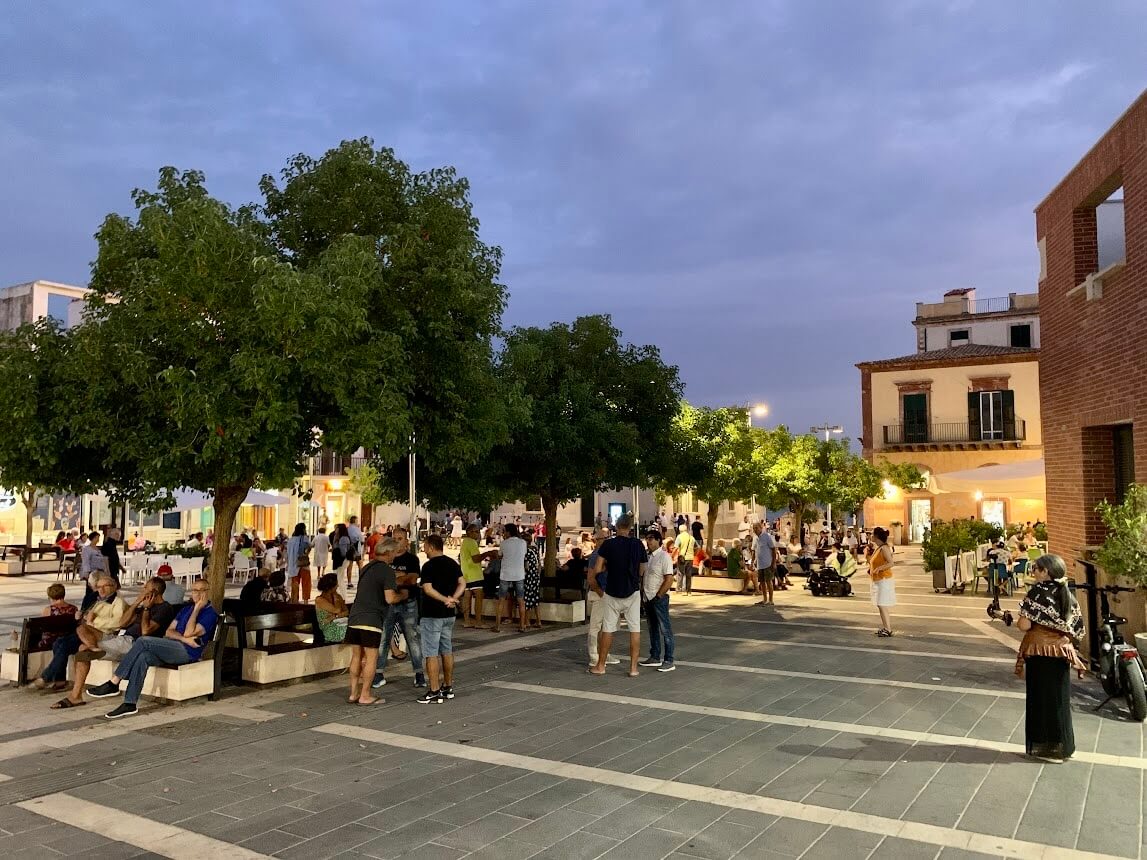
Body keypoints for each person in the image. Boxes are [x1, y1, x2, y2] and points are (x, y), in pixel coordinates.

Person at [87, 578, 218, 719]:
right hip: (174, 646)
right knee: (144, 656)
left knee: (143, 641)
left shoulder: (210, 613)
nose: (197, 594)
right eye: (194, 590)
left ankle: (114, 682)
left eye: (201, 590)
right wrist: (184, 639)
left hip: (187, 653)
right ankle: (130, 703)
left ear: (207, 592)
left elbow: (188, 631)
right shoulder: (186, 609)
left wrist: (197, 609)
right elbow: (169, 632)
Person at [52, 578, 175, 710]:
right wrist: (137, 603)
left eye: (145, 588)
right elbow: (122, 623)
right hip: (119, 638)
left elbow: (146, 631)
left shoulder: (164, 608)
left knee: (82, 650)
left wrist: (146, 609)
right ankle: (93, 648)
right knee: (81, 628)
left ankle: (75, 696)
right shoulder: (142, 606)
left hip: (134, 643)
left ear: (154, 592)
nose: (142, 590)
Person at [1016, 554, 1085, 762]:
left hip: (1040, 651)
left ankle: (1047, 747)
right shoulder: (1067, 594)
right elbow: (1078, 630)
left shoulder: (1037, 593)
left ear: (1046, 571)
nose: (1034, 572)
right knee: (1059, 700)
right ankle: (1065, 746)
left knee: (1041, 699)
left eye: (1036, 568)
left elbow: (1024, 625)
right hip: (1062, 652)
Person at [346, 538, 407, 705]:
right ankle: (365, 695)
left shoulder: (367, 567)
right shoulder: (386, 570)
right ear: (388, 553)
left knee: (356, 656)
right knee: (372, 657)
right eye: (394, 552)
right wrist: (403, 595)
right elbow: (390, 598)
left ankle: (353, 693)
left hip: (355, 616)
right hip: (371, 619)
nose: (395, 555)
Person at [589, 514, 647, 677]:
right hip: (632, 591)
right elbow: (643, 570)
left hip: (612, 591)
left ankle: (601, 665)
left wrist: (610, 568)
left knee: (608, 628)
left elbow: (598, 568)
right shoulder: (637, 544)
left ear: (616, 526)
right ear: (630, 527)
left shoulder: (608, 545)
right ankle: (633, 668)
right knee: (634, 629)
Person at [373, 526, 426, 689]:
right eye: (394, 538)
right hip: (388, 603)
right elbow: (382, 579)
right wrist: (399, 578)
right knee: (384, 638)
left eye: (400, 539)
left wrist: (395, 578)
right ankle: (379, 673)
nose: (396, 541)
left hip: (407, 603)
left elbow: (411, 580)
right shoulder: (387, 558)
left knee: (412, 638)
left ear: (406, 541)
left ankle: (419, 673)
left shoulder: (412, 559)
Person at [418, 534, 464, 704]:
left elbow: (428, 589)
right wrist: (454, 598)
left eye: (425, 546)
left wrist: (445, 599)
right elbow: (463, 583)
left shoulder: (428, 566)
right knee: (447, 650)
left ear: (430, 546)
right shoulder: (452, 563)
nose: (424, 549)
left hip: (432, 614)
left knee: (431, 653)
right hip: (448, 616)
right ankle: (448, 686)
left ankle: (434, 689)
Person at [638, 529, 676, 672]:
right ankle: (655, 656)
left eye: (651, 538)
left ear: (659, 540)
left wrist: (659, 595)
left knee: (665, 628)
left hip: (658, 598)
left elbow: (669, 578)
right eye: (647, 538)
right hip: (648, 597)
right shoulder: (648, 557)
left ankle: (669, 659)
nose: (649, 541)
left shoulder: (664, 556)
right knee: (652, 627)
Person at [584, 529, 619, 668]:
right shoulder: (596, 555)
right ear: (597, 540)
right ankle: (594, 656)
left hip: (608, 593)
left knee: (607, 626)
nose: (607, 540)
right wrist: (601, 593)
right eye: (604, 538)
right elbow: (591, 578)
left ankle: (604, 653)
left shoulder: (607, 554)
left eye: (608, 537)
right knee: (596, 626)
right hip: (600, 594)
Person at [75, 576, 128, 655]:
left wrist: (92, 620)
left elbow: (118, 622)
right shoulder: (100, 600)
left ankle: (92, 647)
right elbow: (89, 615)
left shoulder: (118, 602)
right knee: (64, 643)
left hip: (100, 634)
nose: (101, 589)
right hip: (87, 632)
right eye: (99, 587)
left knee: (66, 643)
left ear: (114, 586)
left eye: (105, 586)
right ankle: (91, 648)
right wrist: (81, 616)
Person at [494, 523, 528, 634]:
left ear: (508, 532)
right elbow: (523, 556)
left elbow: (499, 555)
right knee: (521, 600)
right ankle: (522, 625)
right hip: (519, 574)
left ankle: (497, 626)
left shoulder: (504, 543)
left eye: (504, 531)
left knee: (501, 600)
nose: (503, 533)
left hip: (505, 574)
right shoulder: (523, 543)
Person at [460, 523, 492, 628]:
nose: (478, 534)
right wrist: (488, 554)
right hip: (474, 574)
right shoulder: (472, 542)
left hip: (466, 573)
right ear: (469, 532)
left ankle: (467, 620)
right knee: (478, 596)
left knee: (467, 596)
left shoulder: (464, 542)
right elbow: (476, 558)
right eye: (476, 532)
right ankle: (478, 621)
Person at [866, 526, 896, 637]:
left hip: (884, 580)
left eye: (872, 534)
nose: (870, 536)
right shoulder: (878, 547)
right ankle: (886, 627)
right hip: (878, 580)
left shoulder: (884, 548)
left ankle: (888, 629)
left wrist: (880, 568)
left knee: (882, 604)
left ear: (877, 536)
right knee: (881, 604)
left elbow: (891, 563)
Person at [38, 584, 78, 649]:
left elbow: (42, 627)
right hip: (68, 639)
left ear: (51, 597)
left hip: (51, 641)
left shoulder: (48, 610)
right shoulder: (74, 608)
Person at [314, 573, 349, 643]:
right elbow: (337, 610)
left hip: (340, 624)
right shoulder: (320, 600)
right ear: (331, 587)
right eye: (336, 584)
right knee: (351, 632)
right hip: (328, 628)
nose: (338, 586)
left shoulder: (338, 596)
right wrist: (336, 599)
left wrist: (334, 617)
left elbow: (346, 612)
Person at [286, 523, 312, 602]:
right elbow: (308, 548)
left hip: (292, 565)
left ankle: (295, 601)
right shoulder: (304, 538)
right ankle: (305, 602)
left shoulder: (290, 540)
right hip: (303, 564)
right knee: (306, 584)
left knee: (295, 584)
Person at [755, 521, 779, 606]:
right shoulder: (756, 538)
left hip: (767, 563)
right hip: (760, 564)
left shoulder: (766, 536)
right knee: (762, 582)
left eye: (756, 528)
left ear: (761, 528)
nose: (755, 530)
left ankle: (771, 600)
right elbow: (756, 550)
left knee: (769, 581)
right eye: (754, 528)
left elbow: (773, 549)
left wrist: (773, 562)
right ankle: (764, 599)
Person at [523, 539, 543, 629]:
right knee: (535, 600)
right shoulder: (535, 549)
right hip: (535, 577)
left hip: (529, 577)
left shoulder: (526, 551)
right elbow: (539, 564)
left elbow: (526, 566)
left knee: (527, 600)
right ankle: (539, 621)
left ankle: (527, 621)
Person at [673, 524, 696, 594]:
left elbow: (676, 548)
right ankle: (688, 591)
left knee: (680, 573)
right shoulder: (691, 537)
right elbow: (697, 547)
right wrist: (693, 554)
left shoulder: (679, 537)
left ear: (680, 530)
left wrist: (672, 555)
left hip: (682, 558)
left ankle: (679, 589)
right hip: (690, 558)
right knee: (689, 575)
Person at [347, 515, 364, 584]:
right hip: (356, 547)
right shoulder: (357, 529)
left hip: (349, 548)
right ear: (355, 521)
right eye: (357, 520)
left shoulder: (347, 529)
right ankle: (361, 580)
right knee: (360, 564)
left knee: (349, 565)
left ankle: (349, 582)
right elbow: (361, 538)